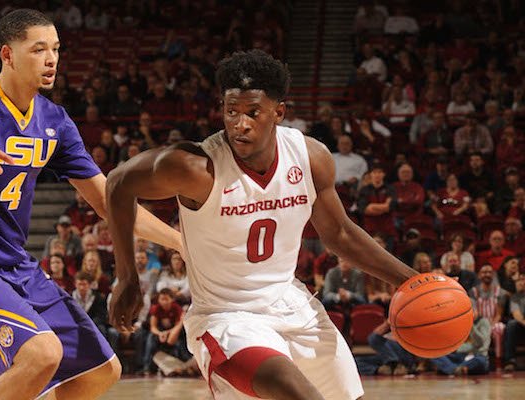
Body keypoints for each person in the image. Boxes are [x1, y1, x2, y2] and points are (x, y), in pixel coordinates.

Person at [106, 49, 418, 400]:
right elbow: (118, 183)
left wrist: (414, 282)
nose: (241, 124)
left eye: (253, 113)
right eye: (231, 112)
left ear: (279, 112)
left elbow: (340, 232)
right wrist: (127, 276)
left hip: (293, 304)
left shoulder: (310, 157)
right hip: (226, 317)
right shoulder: (195, 167)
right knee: (295, 392)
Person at [0, 10, 181, 400]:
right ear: (8, 55)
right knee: (42, 354)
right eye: (39, 49)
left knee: (103, 369)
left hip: (17, 265)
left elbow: (108, 201)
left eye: (57, 49)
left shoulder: (56, 121)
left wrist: (181, 242)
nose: (52, 59)